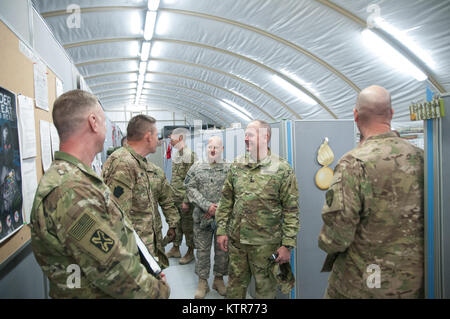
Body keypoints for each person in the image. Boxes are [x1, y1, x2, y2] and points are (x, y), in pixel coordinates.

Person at [30, 90, 170, 298]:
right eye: (104, 121)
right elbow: (112, 268)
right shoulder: (70, 190)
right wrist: (157, 290)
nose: (106, 127)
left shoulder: (77, 179)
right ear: (93, 122)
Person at [318, 85, 424, 299]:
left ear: (356, 115)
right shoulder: (423, 158)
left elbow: (337, 236)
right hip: (415, 282)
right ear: (391, 114)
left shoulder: (354, 163)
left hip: (364, 284)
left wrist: (323, 241)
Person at [216, 120, 300, 299]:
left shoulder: (282, 169)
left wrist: (287, 245)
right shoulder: (237, 165)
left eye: (250, 135)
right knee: (235, 289)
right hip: (237, 242)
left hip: (266, 245)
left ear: (265, 137)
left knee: (265, 292)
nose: (246, 139)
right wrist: (221, 230)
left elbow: (291, 210)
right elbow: (226, 201)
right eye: (245, 135)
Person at [102, 115, 176, 269]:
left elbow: (164, 199)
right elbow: (118, 219)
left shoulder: (140, 164)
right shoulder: (123, 163)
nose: (159, 139)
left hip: (148, 247)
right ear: (148, 137)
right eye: (156, 135)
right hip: (135, 254)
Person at [184, 136, 230, 298]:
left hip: (221, 219)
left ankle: (218, 280)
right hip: (202, 218)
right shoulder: (196, 168)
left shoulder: (229, 169)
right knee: (202, 251)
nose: (212, 150)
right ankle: (202, 283)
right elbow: (190, 188)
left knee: (222, 252)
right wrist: (206, 205)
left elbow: (233, 192)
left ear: (222, 150)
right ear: (206, 148)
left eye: (216, 147)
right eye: (210, 147)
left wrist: (217, 208)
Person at [166, 127, 198, 265]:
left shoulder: (189, 155)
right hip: (175, 197)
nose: (170, 140)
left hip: (185, 200)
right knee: (177, 224)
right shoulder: (177, 154)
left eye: (172, 137)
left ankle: (190, 252)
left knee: (188, 226)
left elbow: (193, 181)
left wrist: (186, 200)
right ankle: (176, 248)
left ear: (180, 138)